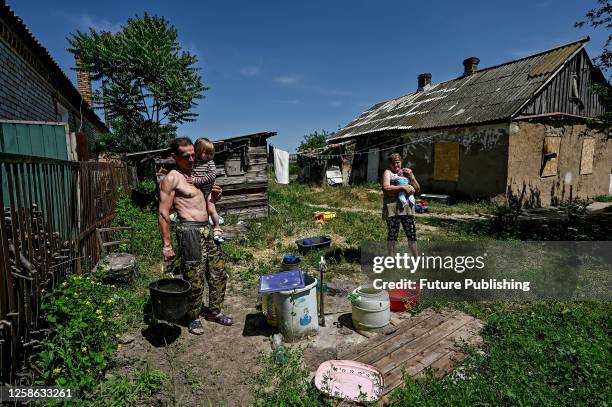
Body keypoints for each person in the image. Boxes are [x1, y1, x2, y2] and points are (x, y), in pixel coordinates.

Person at [158, 137, 233, 335]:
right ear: (174, 156)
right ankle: (193, 317)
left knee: (218, 273)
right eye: (186, 156)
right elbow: (163, 212)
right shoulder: (172, 178)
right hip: (189, 230)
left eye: (193, 155)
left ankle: (214, 311)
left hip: (207, 228)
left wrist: (215, 197)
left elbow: (205, 202)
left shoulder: (199, 173)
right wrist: (167, 245)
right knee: (194, 276)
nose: (191, 160)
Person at [382, 153, 420, 256]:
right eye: (393, 163)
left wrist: (411, 176)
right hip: (393, 208)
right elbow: (386, 188)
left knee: (411, 234)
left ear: (401, 162)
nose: (396, 165)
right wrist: (402, 188)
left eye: (397, 163)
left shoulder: (406, 173)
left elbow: (417, 189)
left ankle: (416, 259)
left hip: (407, 209)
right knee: (393, 235)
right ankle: (391, 258)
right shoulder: (388, 172)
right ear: (390, 164)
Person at [186, 138, 223, 242]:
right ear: (197, 151)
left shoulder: (210, 163)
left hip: (209, 190)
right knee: (201, 211)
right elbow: (191, 174)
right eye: (206, 153)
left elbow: (211, 177)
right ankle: (203, 228)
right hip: (199, 192)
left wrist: (196, 180)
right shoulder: (194, 163)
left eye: (211, 153)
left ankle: (217, 227)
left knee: (211, 209)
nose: (209, 155)